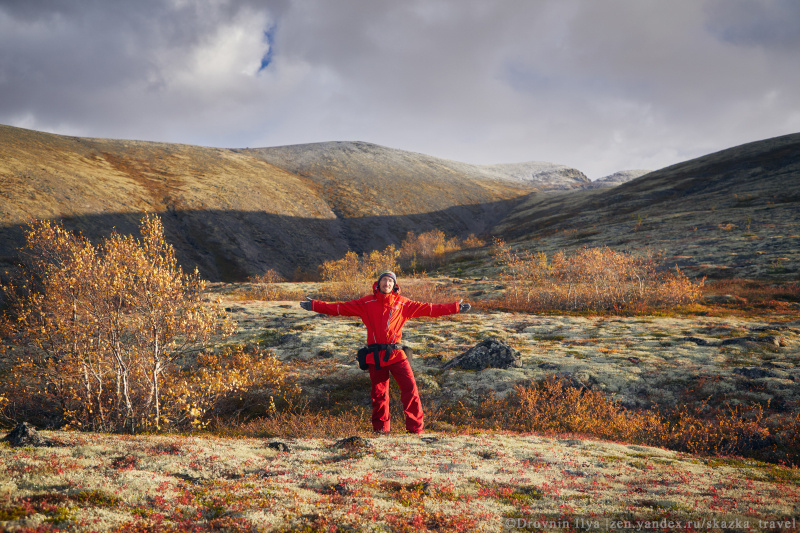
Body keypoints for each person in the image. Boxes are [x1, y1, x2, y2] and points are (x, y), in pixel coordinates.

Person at [300, 271, 470, 434]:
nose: (387, 283)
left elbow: (430, 309)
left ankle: (415, 429)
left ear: (394, 285)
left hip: (396, 354)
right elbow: (339, 308)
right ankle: (381, 431)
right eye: (384, 280)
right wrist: (315, 305)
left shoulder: (403, 303)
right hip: (375, 357)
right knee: (379, 395)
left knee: (411, 390)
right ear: (378, 283)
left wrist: (455, 307)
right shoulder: (365, 303)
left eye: (390, 281)